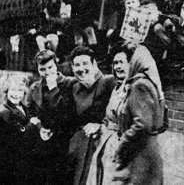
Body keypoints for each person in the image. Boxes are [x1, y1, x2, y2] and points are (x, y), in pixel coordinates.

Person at [114, 42, 166, 185]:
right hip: (149, 153)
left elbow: (142, 124)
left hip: (140, 156)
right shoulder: (149, 83)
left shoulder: (140, 85)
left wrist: (123, 142)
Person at [85, 42, 134, 185]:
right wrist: (99, 127)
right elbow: (109, 118)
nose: (117, 67)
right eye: (115, 63)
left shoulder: (138, 89)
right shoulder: (117, 87)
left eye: (121, 62)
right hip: (107, 144)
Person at [67, 46, 116, 185]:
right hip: (78, 146)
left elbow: (120, 111)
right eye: (77, 65)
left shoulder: (108, 82)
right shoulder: (75, 87)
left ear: (94, 64)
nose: (81, 69)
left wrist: (101, 125)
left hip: (101, 143)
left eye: (85, 63)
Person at [28, 49, 77, 184]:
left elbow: (67, 114)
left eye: (50, 67)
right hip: (41, 140)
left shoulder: (70, 83)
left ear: (56, 65)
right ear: (38, 70)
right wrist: (39, 127)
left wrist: (53, 88)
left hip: (62, 140)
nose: (48, 72)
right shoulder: (34, 87)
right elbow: (30, 113)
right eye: (42, 69)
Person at [0, 75, 33, 185]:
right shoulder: (5, 111)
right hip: (9, 160)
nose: (16, 94)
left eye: (20, 90)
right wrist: (33, 123)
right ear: (6, 90)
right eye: (13, 89)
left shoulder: (23, 107)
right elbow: (19, 131)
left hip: (21, 158)